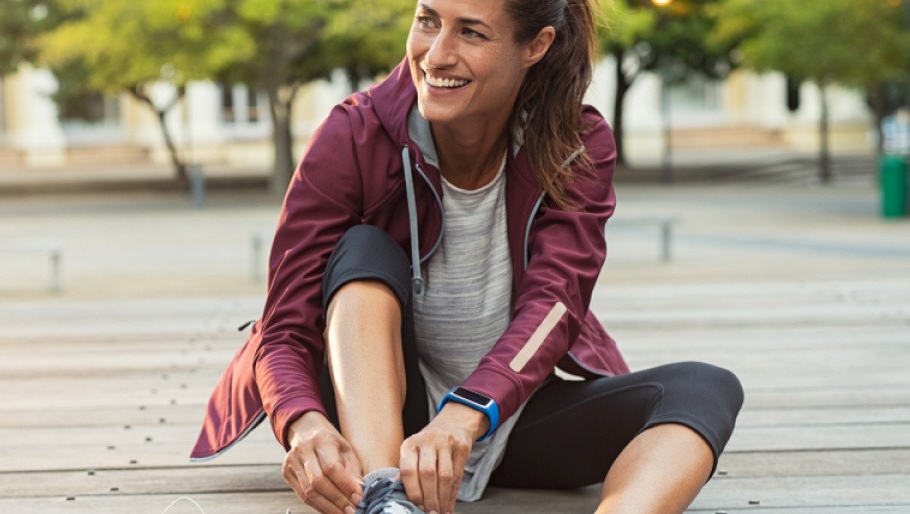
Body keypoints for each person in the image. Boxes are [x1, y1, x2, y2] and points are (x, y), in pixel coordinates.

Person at [191, 0, 744, 513]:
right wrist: (303, 424)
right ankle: (386, 500)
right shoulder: (353, 135)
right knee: (361, 251)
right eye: (428, 19)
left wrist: (467, 414)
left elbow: (555, 303)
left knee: (704, 386)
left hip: (509, 417)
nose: (435, 54)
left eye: (471, 32)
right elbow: (285, 325)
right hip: (382, 427)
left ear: (536, 45)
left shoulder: (576, 142)